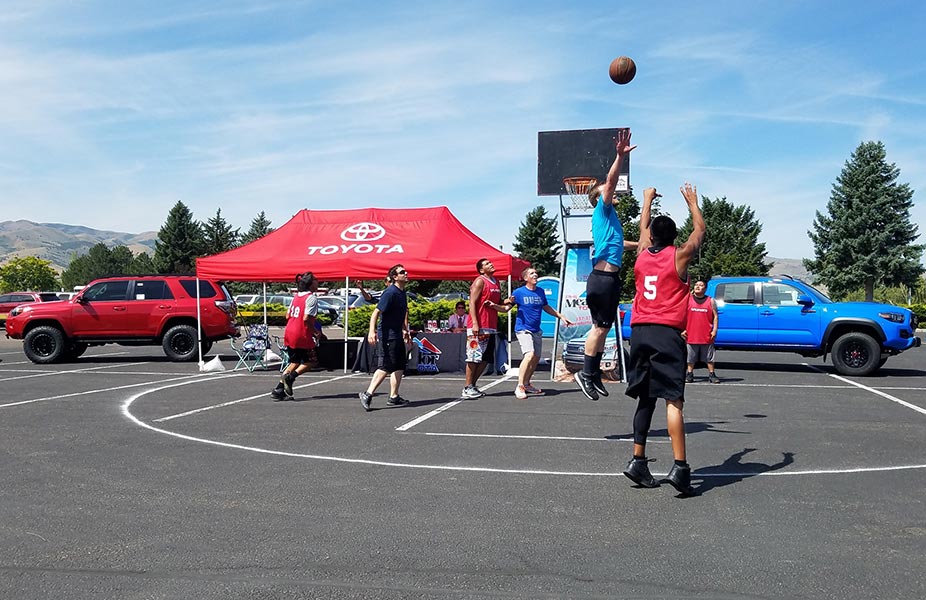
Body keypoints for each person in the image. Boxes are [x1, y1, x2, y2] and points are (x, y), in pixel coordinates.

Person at [622, 183, 706, 497]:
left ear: (653, 237)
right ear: (673, 237)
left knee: (646, 398)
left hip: (640, 330)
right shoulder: (680, 256)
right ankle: (680, 467)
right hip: (665, 333)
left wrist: (646, 199)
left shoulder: (643, 254)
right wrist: (693, 203)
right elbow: (700, 230)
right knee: (674, 399)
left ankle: (638, 460)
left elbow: (643, 228)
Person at [574, 128, 640, 401]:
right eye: (606, 190)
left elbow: (618, 244)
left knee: (605, 326)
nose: (610, 190)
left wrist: (640, 245)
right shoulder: (603, 208)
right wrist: (619, 157)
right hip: (602, 279)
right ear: (600, 195)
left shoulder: (610, 222)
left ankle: (594, 373)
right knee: (599, 328)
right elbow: (611, 181)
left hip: (610, 279)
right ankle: (586, 373)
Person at [502, 267, 573, 399]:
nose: (535, 274)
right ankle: (520, 386)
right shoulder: (519, 292)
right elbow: (507, 305)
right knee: (529, 355)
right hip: (523, 329)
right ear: (525, 278)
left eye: (535, 273)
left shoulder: (540, 292)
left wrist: (560, 316)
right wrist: (502, 303)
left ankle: (527, 384)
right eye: (531, 273)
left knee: (535, 358)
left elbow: (545, 306)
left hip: (536, 330)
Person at [359, 264, 411, 411]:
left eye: (405, 271)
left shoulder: (402, 292)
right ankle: (367, 394)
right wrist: (371, 332)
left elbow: (399, 315)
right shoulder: (390, 293)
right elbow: (376, 313)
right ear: (395, 277)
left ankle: (394, 397)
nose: (405, 274)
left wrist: (405, 330)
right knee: (386, 366)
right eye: (402, 272)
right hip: (387, 336)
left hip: (397, 334)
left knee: (399, 365)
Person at [270, 272, 320, 401]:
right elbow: (306, 319)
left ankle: (279, 389)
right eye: (316, 281)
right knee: (312, 361)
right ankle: (290, 377)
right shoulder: (311, 298)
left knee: (294, 361)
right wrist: (315, 332)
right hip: (301, 333)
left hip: (290, 331)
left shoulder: (296, 296)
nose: (318, 283)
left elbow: (287, 316)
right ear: (310, 284)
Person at [461, 258, 506, 399]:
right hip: (478, 327)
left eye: (490, 263)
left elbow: (498, 303)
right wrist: (475, 322)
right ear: (481, 270)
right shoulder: (480, 281)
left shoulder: (496, 282)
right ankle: (467, 387)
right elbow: (472, 302)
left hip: (491, 326)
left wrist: (509, 300)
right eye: (487, 264)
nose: (491, 264)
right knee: (473, 357)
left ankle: (472, 385)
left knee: (486, 358)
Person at [684, 280, 720, 384]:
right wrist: (682, 329)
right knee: (690, 357)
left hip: (706, 334)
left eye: (701, 285)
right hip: (691, 333)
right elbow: (681, 315)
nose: (698, 287)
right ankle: (690, 374)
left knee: (709, 357)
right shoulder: (687, 299)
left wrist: (714, 330)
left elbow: (716, 317)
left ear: (705, 289)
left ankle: (712, 374)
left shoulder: (710, 301)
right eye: (696, 285)